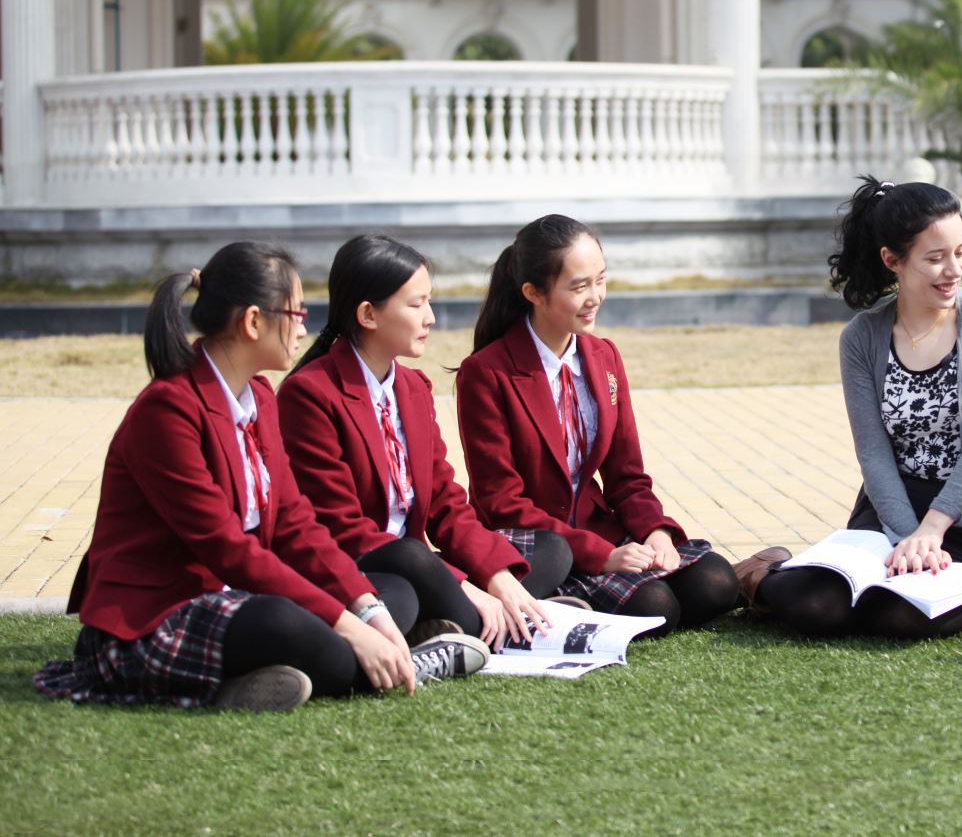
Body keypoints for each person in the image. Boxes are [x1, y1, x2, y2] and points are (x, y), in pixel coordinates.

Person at [35, 243, 485, 714]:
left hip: (236, 599)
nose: (305, 328)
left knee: (390, 596)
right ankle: (407, 664)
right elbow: (225, 548)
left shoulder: (259, 397)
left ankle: (255, 681)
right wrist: (348, 624)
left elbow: (296, 524)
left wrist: (365, 608)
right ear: (253, 322)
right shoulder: (167, 410)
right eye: (296, 312)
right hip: (157, 617)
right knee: (290, 624)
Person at [734, 177, 962, 638]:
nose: (954, 269)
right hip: (892, 508)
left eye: (960, 251)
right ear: (892, 260)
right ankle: (767, 572)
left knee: (903, 614)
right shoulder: (861, 338)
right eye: (935, 258)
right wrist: (907, 537)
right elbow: (874, 453)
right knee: (817, 608)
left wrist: (933, 531)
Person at [280, 234, 569, 653]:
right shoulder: (310, 395)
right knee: (405, 581)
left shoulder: (414, 387)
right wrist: (462, 584)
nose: (430, 317)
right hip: (362, 565)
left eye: (428, 301)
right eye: (416, 305)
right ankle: (489, 618)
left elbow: (445, 502)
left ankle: (464, 621)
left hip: (420, 563)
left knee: (550, 549)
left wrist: (493, 576)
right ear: (368, 314)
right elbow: (340, 528)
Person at [457, 215, 739, 635]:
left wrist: (656, 532)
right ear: (533, 292)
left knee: (716, 583)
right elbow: (500, 502)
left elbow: (627, 476)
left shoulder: (603, 356)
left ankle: (569, 601)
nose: (595, 297)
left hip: (598, 528)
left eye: (600, 280)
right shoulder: (486, 372)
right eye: (578, 286)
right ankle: (555, 595)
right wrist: (601, 556)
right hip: (536, 543)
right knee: (656, 605)